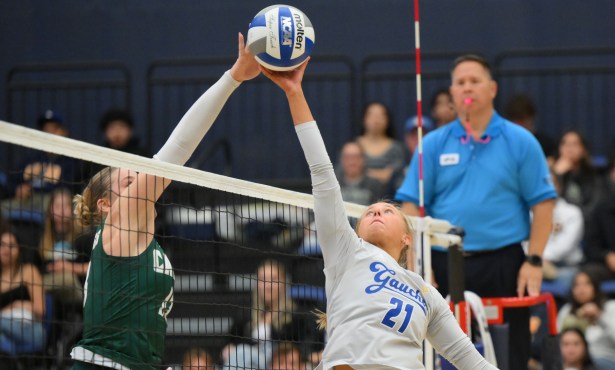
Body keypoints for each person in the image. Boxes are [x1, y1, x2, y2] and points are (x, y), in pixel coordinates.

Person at [260, 59, 497, 369]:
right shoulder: (346, 252)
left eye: (387, 210)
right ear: (356, 231)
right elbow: (322, 173)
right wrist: (295, 94)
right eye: (370, 211)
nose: (376, 212)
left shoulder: (427, 293)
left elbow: (470, 361)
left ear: (406, 237)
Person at [69, 33, 260, 370]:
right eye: (131, 181)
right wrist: (233, 78)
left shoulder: (140, 242)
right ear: (106, 205)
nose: (142, 185)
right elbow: (179, 148)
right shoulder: (119, 222)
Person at [395, 54, 556, 370]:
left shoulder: (520, 141)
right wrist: (418, 262)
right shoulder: (435, 143)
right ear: (452, 93)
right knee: (440, 355)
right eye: (460, 82)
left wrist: (534, 260)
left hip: (504, 263)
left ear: (493, 88)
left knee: (510, 355)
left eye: (475, 80)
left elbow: (543, 203)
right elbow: (411, 203)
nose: (467, 87)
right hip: (444, 265)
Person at [221, 259, 321, 370]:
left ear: (283, 283)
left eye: (273, 280)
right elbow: (230, 340)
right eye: (263, 280)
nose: (267, 286)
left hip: (282, 363)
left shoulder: (296, 314)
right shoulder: (245, 313)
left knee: (242, 352)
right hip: (249, 363)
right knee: (241, 353)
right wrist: (229, 348)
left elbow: (306, 344)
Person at [1, 110, 82, 215]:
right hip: (26, 199)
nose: (50, 134)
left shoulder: (70, 159)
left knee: (58, 207)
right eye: (46, 130)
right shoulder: (32, 157)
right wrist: (18, 189)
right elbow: (10, 180)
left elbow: (71, 187)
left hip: (52, 201)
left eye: (54, 129)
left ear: (64, 132)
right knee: (3, 208)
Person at [0, 228, 46, 355]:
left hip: (30, 329)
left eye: (11, 245)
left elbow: (40, 309)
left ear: (19, 249)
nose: (6, 249)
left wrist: (17, 305)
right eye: (2, 245)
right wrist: (13, 305)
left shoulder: (28, 271)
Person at [557, 270, 615, 369]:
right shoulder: (567, 310)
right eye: (577, 285)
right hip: (573, 362)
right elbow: (557, 341)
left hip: (604, 360)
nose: (581, 289)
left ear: (595, 287)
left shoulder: (610, 307)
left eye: (587, 284)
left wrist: (600, 317)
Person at [354, 101, 407, 192]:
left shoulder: (397, 148)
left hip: (388, 198)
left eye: (380, 116)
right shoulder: (354, 145)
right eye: (372, 115)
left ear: (387, 119)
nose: (376, 120)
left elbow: (394, 175)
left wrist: (366, 173)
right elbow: (349, 174)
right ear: (364, 119)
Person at [553, 130, 604, 220]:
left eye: (574, 144)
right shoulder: (552, 173)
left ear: (583, 150)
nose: (569, 149)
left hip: (586, 225)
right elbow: (547, 203)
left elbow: (594, 208)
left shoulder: (593, 176)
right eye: (565, 144)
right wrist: (557, 175)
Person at [584, 152, 615, 281]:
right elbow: (591, 246)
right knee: (585, 275)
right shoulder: (602, 209)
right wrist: (607, 256)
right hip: (608, 265)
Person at [504, 93, 557, 164]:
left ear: (531, 119)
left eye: (523, 121)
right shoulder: (502, 145)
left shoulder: (547, 145)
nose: (520, 126)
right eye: (516, 122)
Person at [336, 141, 385, 205]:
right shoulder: (332, 184)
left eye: (356, 157)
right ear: (341, 160)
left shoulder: (375, 186)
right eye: (347, 157)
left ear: (363, 159)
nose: (351, 162)